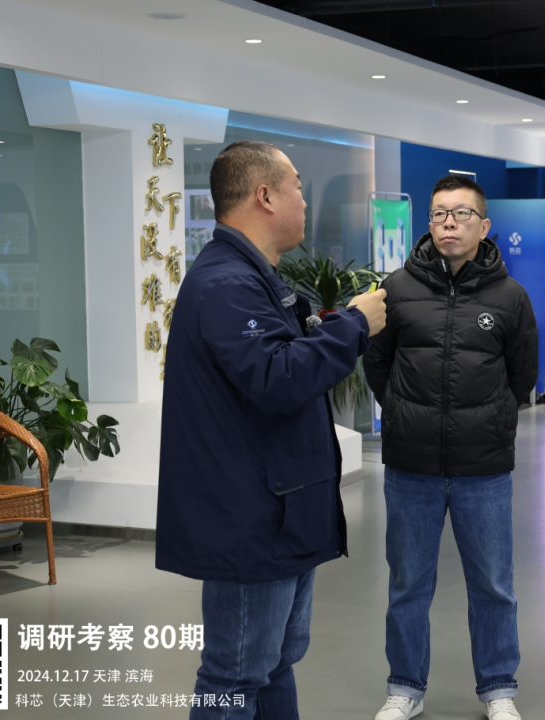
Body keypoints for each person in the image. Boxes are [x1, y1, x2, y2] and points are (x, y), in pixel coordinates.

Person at [156, 140, 388, 720]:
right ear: (265, 196)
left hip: (280, 509)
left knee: (275, 663)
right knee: (235, 675)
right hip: (250, 520)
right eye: (298, 188)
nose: (305, 202)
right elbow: (278, 376)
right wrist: (355, 326)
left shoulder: (259, 280)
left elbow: (287, 351)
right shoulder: (228, 285)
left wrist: (337, 323)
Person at [363, 174, 539, 720]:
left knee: (493, 584)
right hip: (410, 464)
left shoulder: (510, 297)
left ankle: (498, 689)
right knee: (407, 583)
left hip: (483, 467)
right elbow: (377, 365)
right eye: (439, 214)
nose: (449, 224)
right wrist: (402, 412)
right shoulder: (396, 288)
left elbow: (522, 376)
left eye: (461, 214)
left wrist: (491, 421)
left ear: (484, 226)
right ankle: (405, 688)